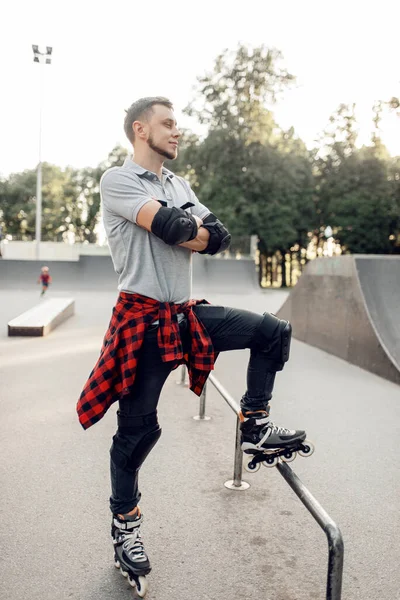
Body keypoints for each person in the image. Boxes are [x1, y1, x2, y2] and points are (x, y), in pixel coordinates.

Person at [76, 97, 309, 594]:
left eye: (176, 124)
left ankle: (256, 425)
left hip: (183, 314)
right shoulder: (117, 181)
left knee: (272, 330)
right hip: (140, 320)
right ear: (140, 130)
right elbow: (176, 228)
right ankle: (126, 527)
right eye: (168, 124)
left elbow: (215, 235)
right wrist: (184, 228)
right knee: (136, 436)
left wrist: (187, 229)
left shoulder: (178, 185)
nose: (177, 132)